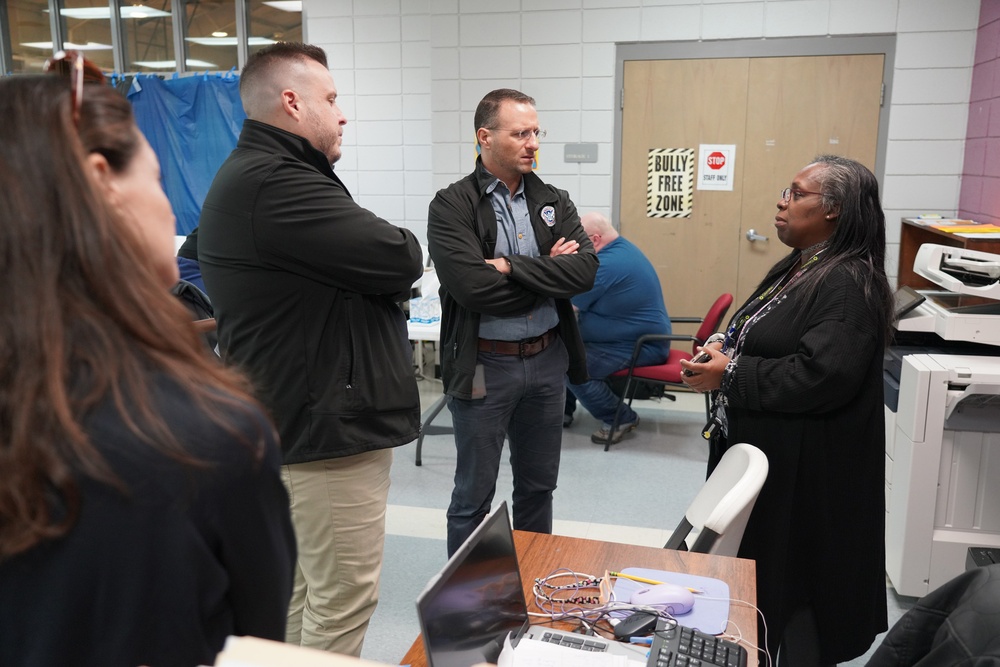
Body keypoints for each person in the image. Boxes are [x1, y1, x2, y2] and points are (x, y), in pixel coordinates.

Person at [0, 65, 294, 667]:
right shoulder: (206, 436)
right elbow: (250, 642)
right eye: (157, 179)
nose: (168, 208)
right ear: (103, 182)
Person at [197, 42, 423, 656]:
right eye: (330, 98)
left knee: (299, 593)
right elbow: (402, 254)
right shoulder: (279, 183)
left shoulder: (264, 175)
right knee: (341, 597)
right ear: (291, 103)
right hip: (322, 430)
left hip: (298, 419)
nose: (341, 113)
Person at [680, 155, 893, 665]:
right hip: (772, 450)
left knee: (794, 588)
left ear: (834, 212)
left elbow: (820, 376)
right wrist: (724, 346)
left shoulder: (848, 282)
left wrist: (729, 374)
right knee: (758, 579)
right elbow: (763, 330)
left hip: (806, 469)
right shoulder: (803, 263)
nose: (782, 201)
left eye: (797, 194)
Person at [427, 88, 598, 557]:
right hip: (485, 365)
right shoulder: (452, 205)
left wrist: (508, 265)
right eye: (520, 133)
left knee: (538, 489)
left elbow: (584, 272)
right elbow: (472, 288)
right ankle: (466, 603)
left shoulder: (552, 199)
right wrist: (547, 268)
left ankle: (532, 579)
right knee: (472, 495)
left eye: (536, 132)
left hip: (546, 363)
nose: (532, 143)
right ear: (485, 137)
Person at [564, 212, 671, 444]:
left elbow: (567, 303)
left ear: (593, 240)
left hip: (641, 346)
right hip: (633, 340)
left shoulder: (606, 265)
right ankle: (563, 413)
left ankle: (620, 417)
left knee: (570, 365)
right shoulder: (621, 250)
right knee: (562, 348)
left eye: (576, 241)